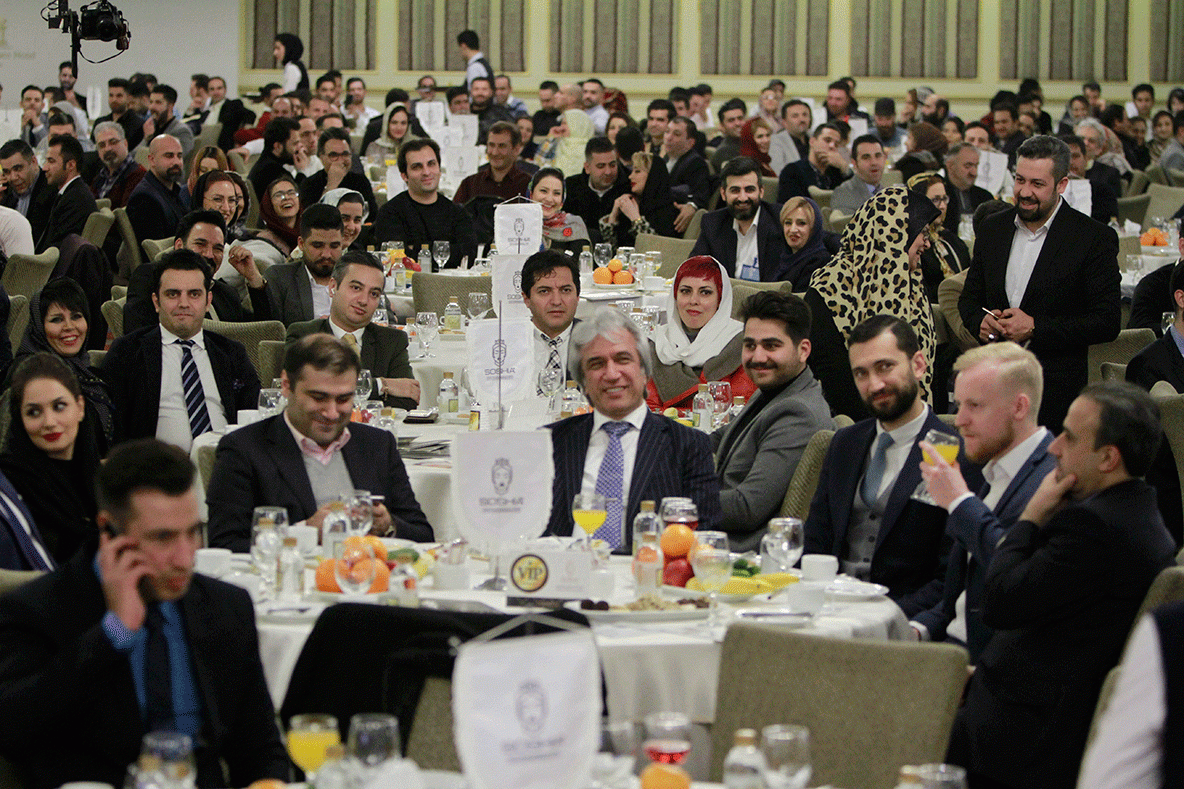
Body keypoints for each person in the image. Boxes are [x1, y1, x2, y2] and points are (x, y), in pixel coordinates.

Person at [0, 437, 290, 788]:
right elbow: (12, 730)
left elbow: (260, 748)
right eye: (163, 538)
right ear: (109, 530)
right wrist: (112, 634)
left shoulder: (225, 606)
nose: (185, 558)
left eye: (192, 532)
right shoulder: (40, 609)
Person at [948, 382, 1176, 789]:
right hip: (1039, 708)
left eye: (1069, 437)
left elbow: (998, 601)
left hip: (1022, 739)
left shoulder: (1091, 526)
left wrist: (1031, 516)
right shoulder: (1142, 516)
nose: (1054, 446)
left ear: (1107, 458)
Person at [803, 315, 969, 617]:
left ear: (918, 365)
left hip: (902, 617)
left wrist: (889, 620)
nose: (874, 384)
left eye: (885, 367)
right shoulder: (844, 444)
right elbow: (815, 543)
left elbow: (950, 576)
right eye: (861, 373)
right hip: (827, 611)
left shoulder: (956, 452)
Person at [207, 334, 432, 552]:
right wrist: (306, 532)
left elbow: (423, 536)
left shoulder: (376, 444)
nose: (332, 413)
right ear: (286, 385)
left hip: (366, 574)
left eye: (343, 399)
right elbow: (225, 545)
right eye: (319, 398)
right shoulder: (244, 449)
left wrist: (387, 525)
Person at [959, 135, 1120, 431]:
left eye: (1037, 184)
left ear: (1062, 185)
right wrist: (979, 321)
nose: (1025, 192)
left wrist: (1036, 327)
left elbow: (1107, 322)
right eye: (1020, 180)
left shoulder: (1092, 238)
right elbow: (969, 300)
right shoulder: (993, 229)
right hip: (993, 383)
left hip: (1055, 393)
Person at [913, 342, 1056, 660]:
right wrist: (916, 629)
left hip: (991, 664)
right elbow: (959, 599)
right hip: (946, 648)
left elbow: (1016, 578)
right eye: (958, 404)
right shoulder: (991, 468)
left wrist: (959, 502)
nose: (959, 420)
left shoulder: (1052, 481)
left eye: (974, 406)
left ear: (1019, 407)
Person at [546, 307, 722, 551]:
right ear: (583, 382)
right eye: (596, 364)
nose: (611, 374)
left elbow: (704, 534)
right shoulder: (551, 442)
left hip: (649, 568)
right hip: (567, 568)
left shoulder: (687, 445)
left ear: (644, 372)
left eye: (623, 359)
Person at [100, 249, 261, 450]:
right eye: (173, 294)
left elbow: (256, 418)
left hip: (225, 463)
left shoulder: (231, 353)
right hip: (156, 466)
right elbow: (111, 428)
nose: (183, 304)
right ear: (156, 302)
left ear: (208, 301)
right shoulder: (127, 352)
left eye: (194, 294)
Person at [805, 186, 940, 421]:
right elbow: (837, 387)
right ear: (895, 233)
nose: (927, 244)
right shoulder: (829, 289)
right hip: (854, 426)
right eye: (923, 233)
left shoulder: (913, 283)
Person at [712, 291, 831, 551]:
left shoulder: (798, 414)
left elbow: (747, 508)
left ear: (803, 350)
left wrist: (674, 493)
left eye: (771, 346)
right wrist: (661, 438)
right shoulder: (777, 389)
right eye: (750, 345)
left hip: (738, 554)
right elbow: (721, 438)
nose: (758, 357)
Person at [0, 353, 102, 565]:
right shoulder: (9, 490)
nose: (49, 422)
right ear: (20, 419)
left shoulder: (102, 480)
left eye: (59, 406)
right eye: (33, 412)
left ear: (80, 407)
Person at [286, 251, 419, 410]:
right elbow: (301, 389)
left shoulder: (392, 341)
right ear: (333, 287)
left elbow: (408, 398)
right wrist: (381, 385)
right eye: (356, 288)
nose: (363, 300)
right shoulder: (304, 335)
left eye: (374, 294)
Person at [124, 210, 271, 334]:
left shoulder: (226, 293)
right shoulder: (151, 278)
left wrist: (254, 278)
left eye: (217, 249)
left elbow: (262, 333)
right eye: (200, 244)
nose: (209, 254)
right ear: (179, 246)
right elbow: (137, 335)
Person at [13, 278, 117, 452]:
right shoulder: (28, 376)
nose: (69, 326)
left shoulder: (89, 374)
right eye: (56, 320)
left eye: (76, 316)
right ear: (39, 327)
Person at [646, 256, 755, 411]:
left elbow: (740, 409)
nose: (693, 300)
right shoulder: (657, 343)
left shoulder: (741, 343)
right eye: (685, 291)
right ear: (675, 296)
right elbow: (644, 408)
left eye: (705, 292)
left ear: (720, 300)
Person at [372, 138, 477, 269]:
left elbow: (469, 256)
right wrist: (446, 251)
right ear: (404, 176)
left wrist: (416, 248)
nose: (426, 172)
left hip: (452, 281)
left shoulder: (457, 212)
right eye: (417, 167)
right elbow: (397, 260)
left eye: (431, 164)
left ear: (439, 169)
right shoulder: (390, 213)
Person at [690, 157, 784, 279]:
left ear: (761, 192)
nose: (743, 198)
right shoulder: (713, 223)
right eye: (735, 190)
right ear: (723, 194)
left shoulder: (780, 220)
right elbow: (693, 270)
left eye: (749, 190)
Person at [265, 202, 345, 325]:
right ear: (301, 244)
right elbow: (270, 329)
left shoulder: (356, 279)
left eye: (334, 246)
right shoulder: (280, 278)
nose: (326, 254)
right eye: (317, 246)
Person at [521, 249, 580, 392]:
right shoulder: (509, 343)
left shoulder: (596, 340)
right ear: (526, 299)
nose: (556, 301)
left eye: (565, 290)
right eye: (544, 291)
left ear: (578, 297)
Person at [907, 172, 970, 302]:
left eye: (944, 199)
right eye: (935, 200)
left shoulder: (952, 240)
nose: (942, 206)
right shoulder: (913, 245)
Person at [601, 151, 679, 248]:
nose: (630, 176)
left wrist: (636, 220)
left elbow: (660, 249)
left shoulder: (669, 211)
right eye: (632, 171)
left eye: (637, 171)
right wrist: (613, 216)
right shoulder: (632, 203)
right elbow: (609, 250)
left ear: (653, 176)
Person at [125, 134, 190, 249]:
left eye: (179, 156)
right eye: (169, 156)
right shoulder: (144, 199)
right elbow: (154, 252)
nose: (177, 162)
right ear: (152, 160)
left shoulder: (173, 190)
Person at [36, 134, 98, 253]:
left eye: (51, 161)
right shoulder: (71, 193)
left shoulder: (76, 199)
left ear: (70, 165)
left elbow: (58, 249)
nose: (44, 168)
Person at [563, 137, 629, 246]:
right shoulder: (571, 187)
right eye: (601, 166)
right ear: (587, 167)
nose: (608, 172)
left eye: (612, 165)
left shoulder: (629, 186)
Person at [298, 127, 377, 218]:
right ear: (321, 157)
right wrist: (331, 185)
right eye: (334, 155)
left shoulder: (360, 181)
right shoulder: (310, 184)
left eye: (345, 154)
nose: (340, 160)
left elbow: (372, 216)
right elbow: (311, 220)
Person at [453, 121, 531, 204]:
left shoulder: (527, 185)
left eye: (502, 146)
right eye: (491, 145)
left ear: (516, 149)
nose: (495, 152)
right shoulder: (470, 184)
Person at [242, 174, 302, 271]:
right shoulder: (264, 240)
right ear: (269, 204)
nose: (286, 197)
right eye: (279, 195)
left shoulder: (308, 234)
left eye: (291, 193)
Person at [0, 140, 55, 244]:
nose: (13, 177)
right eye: (7, 172)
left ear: (34, 161)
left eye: (18, 169)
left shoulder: (51, 190)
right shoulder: (7, 194)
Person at [777, 123, 847, 203]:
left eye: (836, 144)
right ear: (812, 141)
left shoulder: (837, 173)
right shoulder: (793, 171)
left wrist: (844, 167)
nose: (832, 146)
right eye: (827, 140)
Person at [529, 167, 591, 256]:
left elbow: (579, 261)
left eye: (556, 193)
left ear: (562, 200)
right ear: (531, 195)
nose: (549, 199)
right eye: (544, 191)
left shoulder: (573, 224)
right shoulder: (518, 223)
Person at [774, 196, 832, 290]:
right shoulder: (779, 255)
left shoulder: (819, 262)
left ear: (813, 228)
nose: (793, 230)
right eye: (788, 223)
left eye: (801, 223)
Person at [1062, 133, 1120, 226]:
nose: (1071, 162)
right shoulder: (1047, 192)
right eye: (1065, 157)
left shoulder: (1103, 192)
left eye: (1075, 156)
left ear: (1085, 159)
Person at [90, 121, 146, 209]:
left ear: (125, 144)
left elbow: (125, 214)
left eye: (113, 142)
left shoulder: (138, 176)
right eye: (102, 145)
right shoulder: (100, 177)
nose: (108, 148)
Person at [248, 117, 303, 202]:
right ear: (277, 146)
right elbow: (299, 201)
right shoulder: (273, 172)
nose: (299, 148)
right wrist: (302, 172)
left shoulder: (264, 164)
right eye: (295, 144)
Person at [135, 85, 195, 162]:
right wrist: (146, 138)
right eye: (151, 102)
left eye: (158, 103)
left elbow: (170, 160)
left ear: (170, 106)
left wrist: (149, 138)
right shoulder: (151, 127)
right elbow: (135, 155)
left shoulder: (182, 131)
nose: (152, 107)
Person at [942, 142, 992, 232]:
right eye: (968, 166)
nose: (974, 173)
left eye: (976, 166)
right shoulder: (939, 196)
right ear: (950, 166)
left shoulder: (985, 197)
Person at [831, 134, 886, 215]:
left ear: (884, 159)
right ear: (854, 163)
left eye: (878, 156)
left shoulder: (889, 192)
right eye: (866, 157)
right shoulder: (843, 194)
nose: (874, 162)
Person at [535, 108, 594, 178]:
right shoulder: (557, 144)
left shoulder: (591, 150)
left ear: (576, 125)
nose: (561, 127)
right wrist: (550, 138)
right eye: (561, 123)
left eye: (565, 123)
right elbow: (537, 163)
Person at [91, 78, 144, 152]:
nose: (114, 100)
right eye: (111, 95)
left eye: (119, 96)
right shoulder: (100, 122)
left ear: (129, 98)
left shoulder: (138, 125)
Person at [768, 99, 811, 174]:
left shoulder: (815, 138)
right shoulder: (775, 141)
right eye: (795, 116)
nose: (802, 120)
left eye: (805, 115)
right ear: (784, 122)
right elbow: (778, 172)